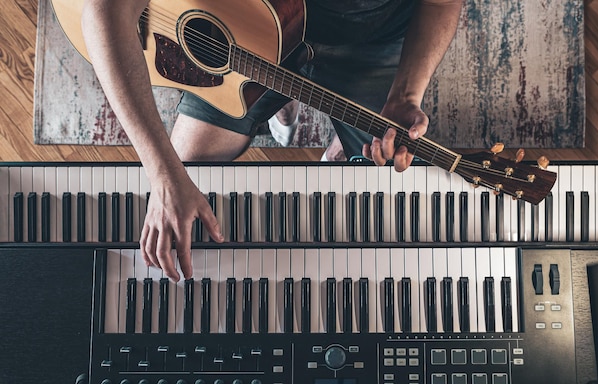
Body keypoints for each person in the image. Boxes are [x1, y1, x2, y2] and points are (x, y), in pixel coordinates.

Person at [81, 0, 464, 281]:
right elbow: (102, 10)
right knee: (183, 173)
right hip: (247, 38)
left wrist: (406, 95)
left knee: (384, 196)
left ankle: (337, 143)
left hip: (371, 40)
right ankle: (286, 98)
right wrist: (164, 176)